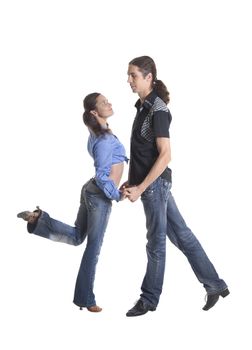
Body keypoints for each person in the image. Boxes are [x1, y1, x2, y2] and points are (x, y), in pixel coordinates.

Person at [122, 56, 229, 317]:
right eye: (128, 75)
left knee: (156, 242)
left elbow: (165, 155)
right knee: (182, 235)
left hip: (155, 186)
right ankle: (215, 284)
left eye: (133, 75)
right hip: (152, 185)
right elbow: (144, 153)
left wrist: (140, 188)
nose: (129, 80)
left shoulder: (157, 110)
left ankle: (148, 300)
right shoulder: (143, 106)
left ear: (148, 77)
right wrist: (133, 181)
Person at [17, 92, 128, 312]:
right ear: (94, 112)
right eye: (104, 102)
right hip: (100, 196)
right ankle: (86, 299)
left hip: (91, 192)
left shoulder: (98, 133)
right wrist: (116, 195)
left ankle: (39, 220)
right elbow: (102, 175)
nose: (110, 103)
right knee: (92, 248)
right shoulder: (104, 138)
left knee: (78, 236)